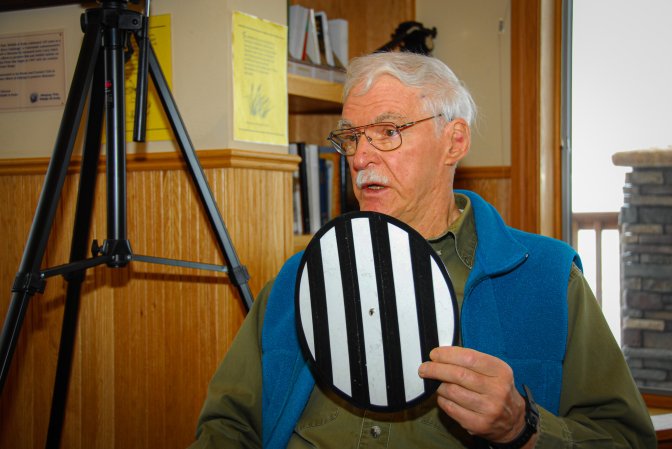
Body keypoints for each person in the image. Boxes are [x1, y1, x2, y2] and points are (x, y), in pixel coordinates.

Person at [189, 52, 656, 448]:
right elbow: (226, 426)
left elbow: (626, 438)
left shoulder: (547, 279)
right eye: (351, 136)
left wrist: (524, 427)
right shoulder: (298, 278)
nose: (360, 157)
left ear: (454, 141)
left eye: (388, 131)